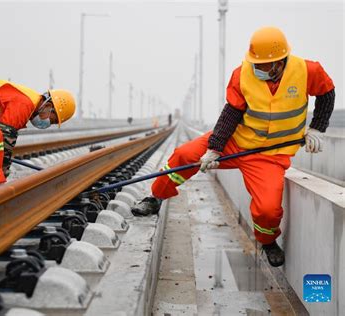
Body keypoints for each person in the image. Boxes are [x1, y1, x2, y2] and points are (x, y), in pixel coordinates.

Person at [137, 26, 335, 267]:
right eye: (255, 64)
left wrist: (317, 127)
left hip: (269, 156)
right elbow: (231, 113)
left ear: (279, 63)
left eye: (262, 66)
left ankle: (267, 241)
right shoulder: (242, 75)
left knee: (268, 210)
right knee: (184, 154)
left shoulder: (307, 70)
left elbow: (327, 92)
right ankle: (156, 197)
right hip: (237, 142)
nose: (257, 69)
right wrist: (215, 148)